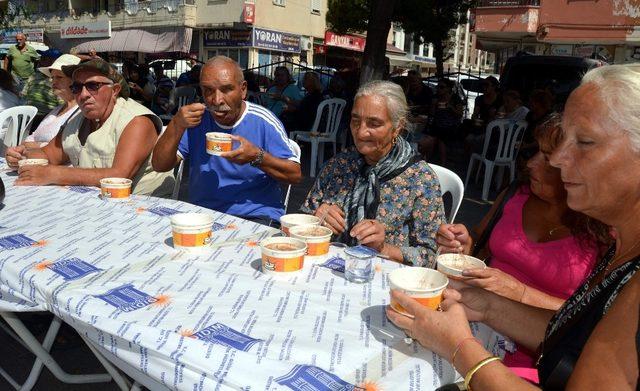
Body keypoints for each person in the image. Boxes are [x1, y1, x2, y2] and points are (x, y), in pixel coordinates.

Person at [387, 65, 640, 390]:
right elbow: (572, 334)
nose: (559, 158)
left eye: (585, 141)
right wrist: (488, 304)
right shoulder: (623, 245)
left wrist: (459, 346)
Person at [436, 114, 609, 383]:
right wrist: (463, 245)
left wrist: (519, 292)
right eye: (535, 152)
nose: (531, 164)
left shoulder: (602, 233)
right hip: (472, 322)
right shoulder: (516, 194)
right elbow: (480, 251)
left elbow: (588, 318)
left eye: (548, 158)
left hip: (531, 361)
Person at [301, 80, 445, 267]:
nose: (360, 132)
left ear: (397, 127)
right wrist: (317, 217)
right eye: (355, 120)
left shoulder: (420, 179)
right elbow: (300, 222)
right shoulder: (340, 164)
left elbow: (432, 256)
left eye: (374, 123)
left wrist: (383, 248)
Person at [152, 56, 302, 225]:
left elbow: (294, 175)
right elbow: (159, 165)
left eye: (226, 90)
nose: (217, 100)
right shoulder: (196, 120)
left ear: (243, 90)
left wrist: (256, 157)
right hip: (203, 215)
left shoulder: (263, 121)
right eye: (208, 90)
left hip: (255, 216)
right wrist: (176, 124)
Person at [7, 59, 174, 197]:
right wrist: (22, 155)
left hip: (141, 207)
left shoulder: (136, 121)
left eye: (93, 86)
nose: (83, 94)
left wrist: (53, 174)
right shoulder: (78, 118)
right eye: (77, 87)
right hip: (95, 202)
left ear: (114, 90)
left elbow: (119, 176)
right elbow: (49, 154)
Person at [21, 54, 81, 148]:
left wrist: (35, 145)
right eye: (52, 77)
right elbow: (32, 137)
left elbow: (64, 147)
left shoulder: (80, 112)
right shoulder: (58, 109)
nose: (53, 81)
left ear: (75, 80)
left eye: (59, 77)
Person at [419, 78, 464, 164]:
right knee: (430, 138)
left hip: (451, 125)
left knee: (440, 138)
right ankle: (426, 161)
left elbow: (460, 114)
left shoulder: (455, 98)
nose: (439, 89)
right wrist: (433, 105)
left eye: (442, 87)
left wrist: (451, 108)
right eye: (438, 87)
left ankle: (443, 163)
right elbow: (431, 114)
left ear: (448, 88)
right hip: (437, 124)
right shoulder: (436, 97)